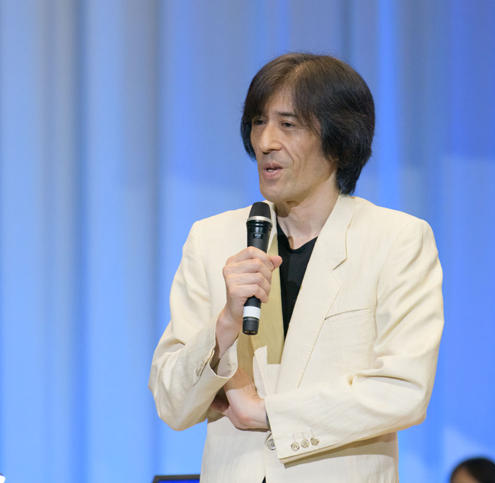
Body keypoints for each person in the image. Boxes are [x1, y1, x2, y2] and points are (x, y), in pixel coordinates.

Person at [149, 53, 444, 483]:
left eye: (288, 124)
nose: (266, 142)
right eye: (258, 122)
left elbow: (403, 390)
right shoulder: (211, 239)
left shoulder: (396, 239)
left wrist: (269, 414)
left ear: (340, 141)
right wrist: (224, 325)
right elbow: (171, 404)